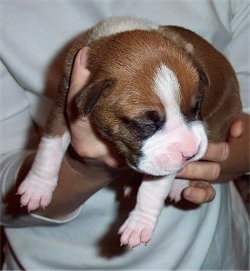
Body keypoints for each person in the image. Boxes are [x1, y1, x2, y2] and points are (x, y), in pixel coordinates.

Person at [0, 0, 249, 270]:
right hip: (52, 258)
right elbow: (61, 114)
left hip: (215, 246)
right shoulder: (81, 62)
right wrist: (47, 173)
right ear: (90, 99)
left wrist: (149, 208)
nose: (190, 144)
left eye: (195, 108)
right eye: (147, 123)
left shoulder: (171, 52)